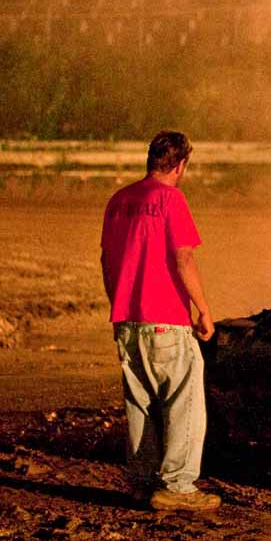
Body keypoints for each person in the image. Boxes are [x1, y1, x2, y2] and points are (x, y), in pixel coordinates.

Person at [101, 130, 219, 512]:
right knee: (184, 403)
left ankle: (141, 481)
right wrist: (203, 309)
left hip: (127, 321)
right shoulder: (171, 199)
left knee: (140, 404)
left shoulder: (119, 201)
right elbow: (184, 258)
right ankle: (179, 485)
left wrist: (119, 304)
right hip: (166, 320)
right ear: (181, 165)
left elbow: (106, 260)